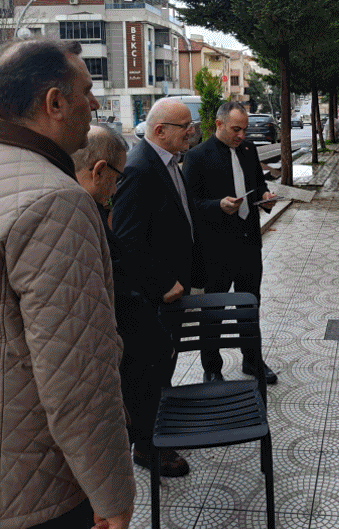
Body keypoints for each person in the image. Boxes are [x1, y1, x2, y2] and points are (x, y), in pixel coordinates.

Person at [0, 38, 134, 529]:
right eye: (87, 90)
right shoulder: (55, 201)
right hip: (39, 487)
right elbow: (77, 378)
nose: (95, 104)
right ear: (55, 103)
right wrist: (112, 494)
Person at [73, 126, 178, 478]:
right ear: (99, 171)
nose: (117, 189)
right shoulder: (77, 215)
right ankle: (146, 448)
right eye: (117, 178)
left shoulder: (85, 208)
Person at [111, 97, 202, 476]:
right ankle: (148, 449)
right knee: (150, 375)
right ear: (160, 130)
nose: (192, 131)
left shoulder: (169, 161)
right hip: (154, 296)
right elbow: (126, 239)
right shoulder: (139, 168)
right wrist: (162, 282)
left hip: (175, 288)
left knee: (165, 367)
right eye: (185, 126)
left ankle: (157, 434)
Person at [182, 101, 278, 384]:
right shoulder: (197, 156)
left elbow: (258, 186)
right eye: (236, 129)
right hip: (215, 250)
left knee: (249, 306)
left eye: (244, 129)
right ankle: (212, 368)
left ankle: (252, 360)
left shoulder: (248, 150)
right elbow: (189, 204)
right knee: (213, 311)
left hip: (249, 245)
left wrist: (266, 197)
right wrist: (218, 206)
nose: (241, 135)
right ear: (219, 124)